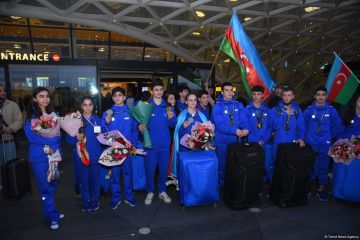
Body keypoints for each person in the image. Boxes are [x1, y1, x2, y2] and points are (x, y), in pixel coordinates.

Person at [24, 87, 63, 230]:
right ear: (34, 98)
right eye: (41, 96)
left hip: (53, 156)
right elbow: (32, 137)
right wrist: (52, 141)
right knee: (44, 187)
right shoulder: (31, 118)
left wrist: (57, 141)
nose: (45, 99)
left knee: (53, 184)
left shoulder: (53, 115)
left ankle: (48, 211)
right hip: (39, 157)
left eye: (47, 96)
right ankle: (53, 215)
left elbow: (59, 134)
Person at [139, 81, 177, 205]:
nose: (159, 92)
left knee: (163, 170)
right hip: (150, 146)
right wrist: (141, 127)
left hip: (164, 145)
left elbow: (173, 124)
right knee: (149, 171)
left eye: (161, 89)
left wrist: (171, 118)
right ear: (152, 91)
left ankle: (162, 190)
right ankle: (150, 191)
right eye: (156, 89)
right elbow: (141, 125)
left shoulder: (168, 107)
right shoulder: (146, 107)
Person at [101, 87, 138, 209]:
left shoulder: (131, 112)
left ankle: (129, 197)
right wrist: (106, 122)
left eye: (120, 95)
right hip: (115, 149)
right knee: (115, 175)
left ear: (124, 97)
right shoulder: (107, 113)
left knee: (128, 174)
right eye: (115, 96)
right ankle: (115, 198)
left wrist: (133, 146)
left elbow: (134, 130)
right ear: (112, 98)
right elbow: (104, 132)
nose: (118, 98)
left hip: (127, 149)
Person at [303, 87, 341, 202]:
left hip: (325, 143)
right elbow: (303, 126)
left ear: (326, 96)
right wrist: (305, 139)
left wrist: (328, 136)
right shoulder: (309, 110)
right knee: (310, 165)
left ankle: (321, 188)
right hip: (311, 142)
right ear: (314, 96)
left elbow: (336, 126)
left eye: (323, 95)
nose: (320, 97)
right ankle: (307, 187)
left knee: (323, 166)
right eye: (318, 94)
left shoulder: (331, 110)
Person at [66, 97, 103, 211]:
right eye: (85, 105)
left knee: (95, 180)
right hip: (81, 156)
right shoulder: (75, 120)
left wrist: (103, 135)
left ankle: (95, 200)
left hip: (95, 154)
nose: (88, 107)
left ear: (93, 106)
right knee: (83, 180)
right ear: (81, 106)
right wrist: (75, 137)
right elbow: (68, 139)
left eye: (90, 105)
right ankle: (86, 200)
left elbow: (103, 139)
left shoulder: (98, 120)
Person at [212, 82, 249, 186]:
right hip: (222, 142)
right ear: (222, 92)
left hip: (236, 142)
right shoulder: (217, 106)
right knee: (222, 166)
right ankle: (221, 186)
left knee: (235, 165)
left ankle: (232, 187)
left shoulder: (238, 105)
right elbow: (219, 126)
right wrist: (235, 131)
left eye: (231, 90)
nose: (229, 92)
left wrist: (246, 129)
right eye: (226, 90)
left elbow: (243, 120)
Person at [269, 86, 305, 180]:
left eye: (289, 95)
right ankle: (273, 185)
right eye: (284, 95)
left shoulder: (297, 110)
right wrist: (285, 114)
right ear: (282, 96)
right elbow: (274, 126)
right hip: (278, 142)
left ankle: (286, 187)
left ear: (293, 96)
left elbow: (301, 127)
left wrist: (301, 138)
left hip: (292, 143)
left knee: (289, 165)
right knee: (275, 164)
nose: (286, 97)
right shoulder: (275, 110)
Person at [171, 93, 208, 177]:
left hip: (198, 149)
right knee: (185, 171)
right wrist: (183, 128)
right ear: (186, 102)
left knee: (196, 171)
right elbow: (177, 135)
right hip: (184, 149)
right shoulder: (182, 116)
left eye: (195, 100)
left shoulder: (201, 116)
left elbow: (207, 133)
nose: (193, 102)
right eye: (190, 100)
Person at [245, 85, 272, 181]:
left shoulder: (267, 110)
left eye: (258, 94)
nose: (256, 96)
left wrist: (263, 140)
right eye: (254, 94)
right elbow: (246, 127)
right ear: (251, 95)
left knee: (266, 164)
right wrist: (255, 140)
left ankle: (264, 183)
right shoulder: (247, 110)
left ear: (263, 95)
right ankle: (253, 184)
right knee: (253, 164)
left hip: (264, 142)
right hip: (252, 142)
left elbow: (269, 127)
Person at [0, 84, 23, 188]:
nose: (3, 92)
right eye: (0, 91)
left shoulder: (13, 105)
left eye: (4, 90)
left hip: (8, 141)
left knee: (11, 164)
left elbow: (19, 120)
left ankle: (12, 185)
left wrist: (11, 128)